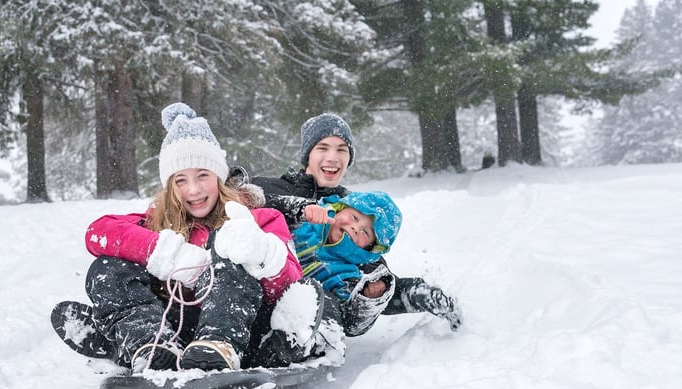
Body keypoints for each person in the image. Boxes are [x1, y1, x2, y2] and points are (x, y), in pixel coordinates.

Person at [51, 102, 302, 372]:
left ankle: (216, 347)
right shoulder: (157, 221)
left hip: (240, 330)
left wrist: (261, 253)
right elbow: (98, 233)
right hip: (174, 330)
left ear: (219, 177)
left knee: (227, 261)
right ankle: (148, 346)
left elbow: (291, 285)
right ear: (169, 186)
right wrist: (166, 253)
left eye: (203, 175)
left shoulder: (259, 218)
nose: (192, 190)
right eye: (180, 180)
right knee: (108, 268)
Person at [250, 112, 463, 332]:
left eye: (341, 150)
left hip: (308, 315)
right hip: (255, 295)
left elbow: (374, 278)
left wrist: (418, 294)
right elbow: (230, 203)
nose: (333, 157)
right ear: (308, 155)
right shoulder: (267, 189)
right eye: (323, 148)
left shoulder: (355, 210)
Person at [252, 190, 404, 367]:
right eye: (354, 217)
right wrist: (300, 209)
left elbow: (352, 323)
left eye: (365, 232)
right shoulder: (304, 222)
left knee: (325, 300)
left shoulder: (347, 275)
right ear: (339, 208)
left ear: (370, 248)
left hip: (290, 324)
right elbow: (267, 204)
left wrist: (368, 299)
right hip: (260, 292)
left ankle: (285, 352)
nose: (355, 227)